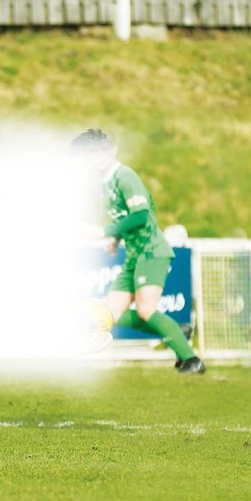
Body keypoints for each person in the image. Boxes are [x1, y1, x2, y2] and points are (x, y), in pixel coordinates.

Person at [71, 129, 203, 373]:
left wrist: (104, 232)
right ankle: (172, 329)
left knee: (146, 310)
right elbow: (126, 217)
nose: (97, 157)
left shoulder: (125, 176)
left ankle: (191, 360)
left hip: (150, 251)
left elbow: (141, 215)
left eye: (102, 151)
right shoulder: (105, 183)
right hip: (134, 255)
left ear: (112, 150)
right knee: (110, 315)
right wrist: (115, 238)